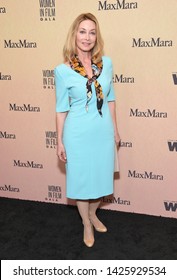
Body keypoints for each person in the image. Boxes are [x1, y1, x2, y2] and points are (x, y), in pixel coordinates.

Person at [54, 13, 120, 247]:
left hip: (102, 132)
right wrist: (60, 141)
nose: (87, 37)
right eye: (82, 31)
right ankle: (86, 222)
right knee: (82, 182)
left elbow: (110, 99)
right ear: (74, 35)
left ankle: (93, 213)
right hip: (77, 134)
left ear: (96, 36)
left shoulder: (107, 64)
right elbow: (61, 109)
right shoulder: (62, 71)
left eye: (92, 32)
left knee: (101, 178)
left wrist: (115, 130)